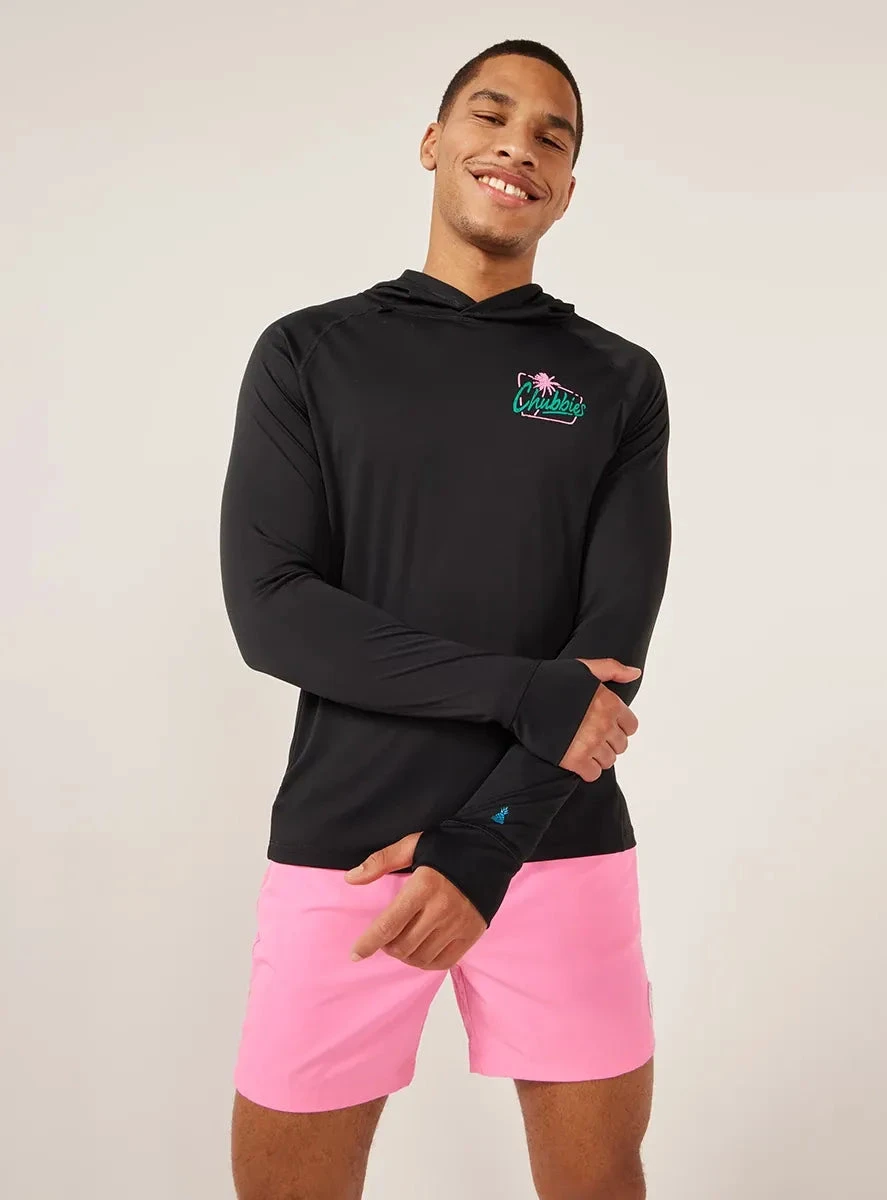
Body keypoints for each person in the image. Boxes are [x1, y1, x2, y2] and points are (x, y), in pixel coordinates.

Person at [220, 37, 672, 1200]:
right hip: (349, 852)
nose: (519, 144)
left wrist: (486, 843)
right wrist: (521, 689)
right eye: (491, 113)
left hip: (553, 840)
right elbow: (272, 612)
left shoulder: (617, 380)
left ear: (567, 186)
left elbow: (607, 661)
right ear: (433, 143)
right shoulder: (310, 354)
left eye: (552, 136)